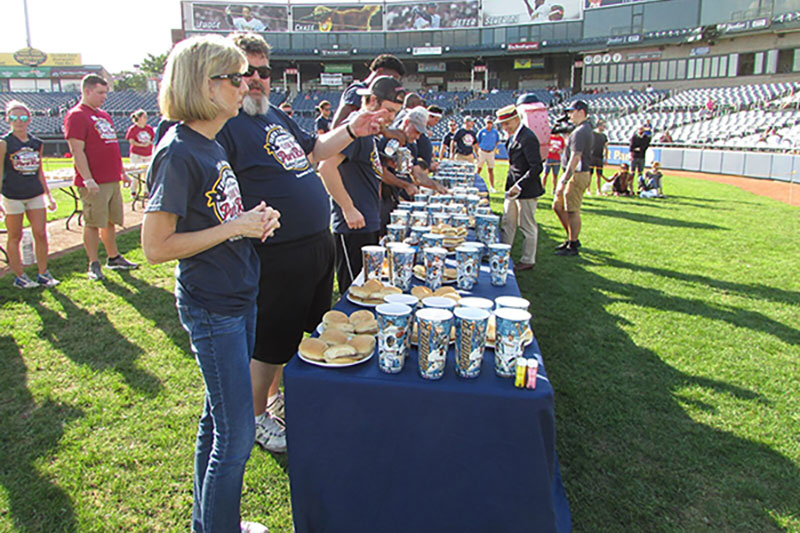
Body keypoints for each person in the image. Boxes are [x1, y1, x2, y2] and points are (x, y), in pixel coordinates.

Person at [216, 32, 387, 453]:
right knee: (270, 340)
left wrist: (351, 127)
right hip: (275, 250)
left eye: (263, 72)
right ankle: (256, 416)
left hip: (315, 244)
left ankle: (275, 400)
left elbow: (314, 152)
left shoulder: (274, 115)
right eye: (247, 72)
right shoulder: (225, 121)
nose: (256, 80)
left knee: (299, 334)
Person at [141, 34, 281, 533]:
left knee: (215, 419)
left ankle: (209, 524)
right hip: (213, 305)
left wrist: (250, 220)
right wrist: (234, 227)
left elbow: (213, 217)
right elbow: (155, 247)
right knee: (237, 437)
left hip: (237, 296)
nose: (247, 86)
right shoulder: (179, 152)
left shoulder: (209, 143)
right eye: (235, 78)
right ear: (205, 84)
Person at [318, 76, 405, 294]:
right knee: (353, 293)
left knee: (368, 289)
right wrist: (348, 208)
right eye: (389, 110)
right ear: (372, 100)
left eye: (395, 113)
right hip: (353, 227)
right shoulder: (355, 128)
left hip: (367, 222)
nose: (391, 118)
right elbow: (326, 167)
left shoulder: (369, 131)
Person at [64, 74, 139, 281]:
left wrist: (121, 172)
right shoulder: (77, 115)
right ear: (87, 91)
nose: (104, 96)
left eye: (105, 92)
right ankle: (93, 262)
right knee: (93, 222)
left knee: (109, 221)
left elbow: (112, 147)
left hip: (110, 178)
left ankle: (113, 257)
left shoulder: (104, 115)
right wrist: (87, 178)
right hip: (94, 181)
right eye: (100, 92)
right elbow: (77, 150)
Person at [0, 100, 59, 288]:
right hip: (13, 195)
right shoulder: (4, 143)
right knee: (14, 235)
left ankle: (43, 273)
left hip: (34, 193)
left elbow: (39, 171)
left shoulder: (36, 143)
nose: (19, 121)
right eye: (15, 117)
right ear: (8, 119)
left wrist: (48, 196)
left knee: (40, 233)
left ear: (29, 119)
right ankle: (20, 276)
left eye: (23, 117)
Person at [496, 104, 543, 272]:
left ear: (516, 119)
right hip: (513, 188)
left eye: (507, 123)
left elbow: (536, 167)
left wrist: (519, 185)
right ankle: (502, 253)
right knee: (508, 222)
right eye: (503, 125)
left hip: (526, 190)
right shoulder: (514, 137)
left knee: (527, 225)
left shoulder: (528, 137)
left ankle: (528, 259)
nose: (505, 128)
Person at [553, 100, 593, 257]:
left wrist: (564, 178)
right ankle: (571, 238)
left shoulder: (581, 131)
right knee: (558, 206)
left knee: (572, 210)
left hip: (577, 174)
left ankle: (573, 243)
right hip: (576, 173)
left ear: (581, 111)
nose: (569, 115)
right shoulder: (582, 129)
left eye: (571, 112)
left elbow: (576, 157)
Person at [332, 54, 405, 128]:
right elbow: (337, 126)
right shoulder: (357, 91)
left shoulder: (379, 93)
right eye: (393, 77)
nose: (393, 82)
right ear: (380, 71)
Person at [476, 116, 501, 192]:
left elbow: (497, 141)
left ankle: (492, 187)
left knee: (490, 169)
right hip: (482, 151)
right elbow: (477, 141)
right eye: (488, 123)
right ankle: (475, 183)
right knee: (479, 168)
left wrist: (492, 147)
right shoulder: (481, 131)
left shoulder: (495, 132)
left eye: (490, 123)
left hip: (490, 152)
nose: (489, 124)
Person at [589, 120, 609, 195]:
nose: (604, 127)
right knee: (590, 174)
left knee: (599, 175)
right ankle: (588, 189)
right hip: (592, 156)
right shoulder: (592, 134)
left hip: (599, 157)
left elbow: (606, 147)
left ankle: (598, 190)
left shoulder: (604, 136)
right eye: (603, 126)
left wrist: (606, 158)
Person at [629, 126, 650, 193]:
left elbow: (645, 146)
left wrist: (639, 148)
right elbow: (631, 147)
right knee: (632, 172)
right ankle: (630, 188)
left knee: (640, 173)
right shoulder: (634, 137)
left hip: (641, 157)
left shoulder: (646, 138)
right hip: (634, 157)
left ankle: (640, 188)